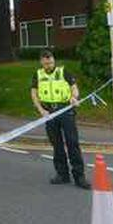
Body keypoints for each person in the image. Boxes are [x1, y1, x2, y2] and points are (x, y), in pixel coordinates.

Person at [31, 49, 89, 189]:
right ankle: (62, 174)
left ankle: (79, 177)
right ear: (41, 62)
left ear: (54, 60)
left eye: (50, 62)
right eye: (46, 63)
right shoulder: (38, 75)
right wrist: (41, 110)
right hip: (49, 113)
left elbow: (74, 88)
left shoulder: (63, 72)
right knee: (56, 145)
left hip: (65, 111)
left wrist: (74, 97)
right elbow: (34, 94)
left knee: (72, 143)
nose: (48, 65)